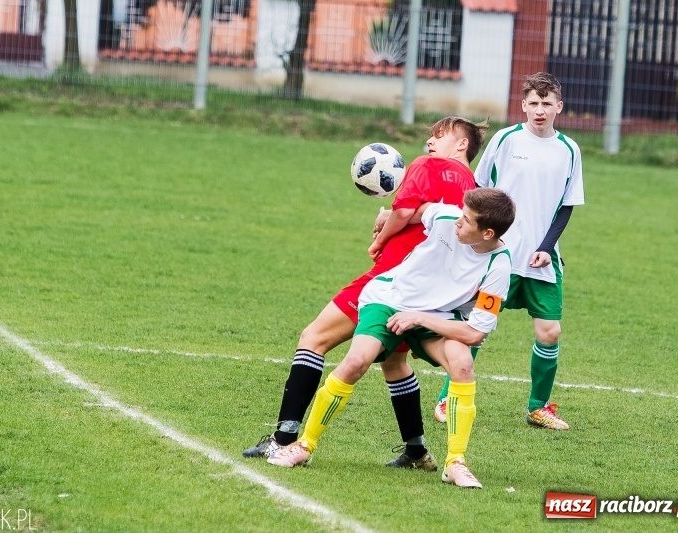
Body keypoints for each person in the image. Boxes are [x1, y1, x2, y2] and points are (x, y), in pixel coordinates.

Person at [243, 117, 489, 470]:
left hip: (391, 280)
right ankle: (417, 451)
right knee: (393, 361)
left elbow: (406, 210)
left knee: (313, 337)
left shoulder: (428, 164)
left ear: (461, 144)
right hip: (431, 294)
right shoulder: (474, 191)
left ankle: (283, 439)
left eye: (439, 135)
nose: (430, 142)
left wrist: (380, 237)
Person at [266, 188, 516, 490]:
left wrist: (420, 318)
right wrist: (386, 216)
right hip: (389, 298)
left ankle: (456, 462)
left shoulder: (499, 265)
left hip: (435, 315)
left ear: (487, 233)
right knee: (357, 360)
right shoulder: (447, 216)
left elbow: (475, 333)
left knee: (462, 365)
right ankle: (304, 446)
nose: (458, 222)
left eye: (467, 221)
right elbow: (420, 210)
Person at [433, 72, 585, 430]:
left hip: (541, 259)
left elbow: (567, 205)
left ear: (558, 107)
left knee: (550, 331)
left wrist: (547, 248)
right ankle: (446, 399)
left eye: (547, 104)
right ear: (523, 106)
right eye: (533, 103)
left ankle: (539, 407)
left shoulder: (569, 149)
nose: (540, 110)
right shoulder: (505, 139)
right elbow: (479, 189)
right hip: (498, 257)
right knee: (475, 328)